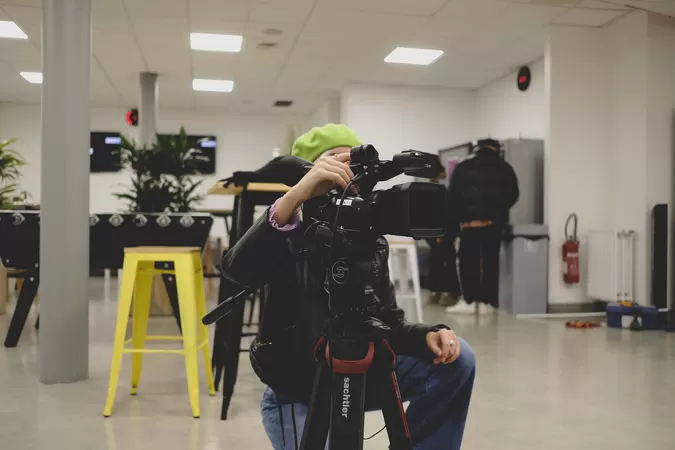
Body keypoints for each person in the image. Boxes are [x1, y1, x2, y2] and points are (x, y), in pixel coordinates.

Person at [221, 124, 476, 450]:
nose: (345, 176)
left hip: (364, 372)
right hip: (300, 391)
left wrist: (426, 334)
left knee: (458, 359)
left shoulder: (368, 239)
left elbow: (388, 323)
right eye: (332, 164)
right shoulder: (288, 231)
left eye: (352, 166)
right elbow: (236, 271)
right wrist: (294, 197)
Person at [447, 138, 519, 312]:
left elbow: (452, 197)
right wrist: (497, 213)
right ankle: (488, 302)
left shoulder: (463, 167)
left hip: (469, 225)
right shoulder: (505, 168)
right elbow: (513, 194)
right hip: (492, 225)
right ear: (495, 149)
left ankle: (470, 301)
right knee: (491, 263)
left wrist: (460, 220)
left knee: (468, 264)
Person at [426, 166, 462, 307]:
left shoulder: (444, 192)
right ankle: (442, 292)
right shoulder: (434, 192)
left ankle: (449, 293)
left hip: (445, 234)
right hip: (439, 234)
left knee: (445, 263)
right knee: (439, 264)